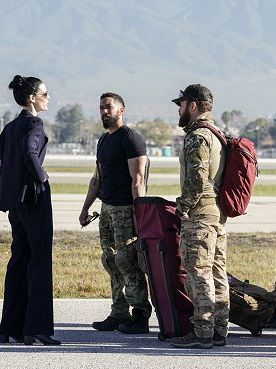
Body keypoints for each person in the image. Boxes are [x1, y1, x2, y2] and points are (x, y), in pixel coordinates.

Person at [0, 75, 60, 346]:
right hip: (34, 200)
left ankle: (10, 328)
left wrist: (11, 179)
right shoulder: (34, 123)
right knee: (39, 261)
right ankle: (36, 329)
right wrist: (41, 179)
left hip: (14, 203)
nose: (48, 98)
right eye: (45, 94)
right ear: (32, 98)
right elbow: (30, 152)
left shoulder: (12, 126)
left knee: (18, 261)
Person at [80, 92, 152, 335]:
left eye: (108, 107)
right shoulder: (103, 140)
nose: (104, 111)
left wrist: (139, 213)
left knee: (127, 261)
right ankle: (118, 312)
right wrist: (85, 207)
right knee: (110, 260)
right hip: (107, 208)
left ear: (121, 110)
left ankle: (140, 314)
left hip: (126, 209)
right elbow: (97, 178)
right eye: (101, 107)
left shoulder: (131, 139)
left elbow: (138, 179)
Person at [167, 84, 229, 349]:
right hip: (216, 213)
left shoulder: (198, 136)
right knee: (217, 272)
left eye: (181, 104)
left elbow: (196, 178)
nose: (179, 110)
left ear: (192, 106)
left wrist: (183, 207)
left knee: (198, 272)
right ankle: (219, 329)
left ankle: (202, 331)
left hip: (200, 215)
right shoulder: (217, 134)